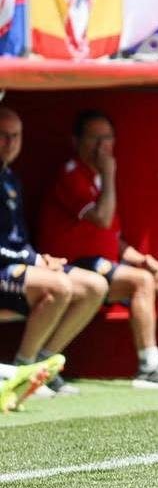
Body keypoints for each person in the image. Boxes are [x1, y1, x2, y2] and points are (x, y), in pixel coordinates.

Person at [38, 111, 158, 389]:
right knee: (140, 281)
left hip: (102, 264)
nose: (102, 146)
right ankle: (149, 367)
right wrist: (110, 173)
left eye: (107, 138)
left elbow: (111, 236)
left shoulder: (99, 179)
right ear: (77, 141)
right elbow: (102, 218)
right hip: (72, 265)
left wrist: (139, 258)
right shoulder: (72, 175)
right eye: (95, 138)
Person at [0, 107, 108, 396]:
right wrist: (35, 260)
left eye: (15, 136)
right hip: (3, 270)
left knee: (94, 286)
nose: (9, 143)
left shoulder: (10, 177)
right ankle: (23, 372)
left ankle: (42, 366)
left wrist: (40, 258)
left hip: (17, 265)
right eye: (2, 136)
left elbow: (17, 239)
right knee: (58, 285)